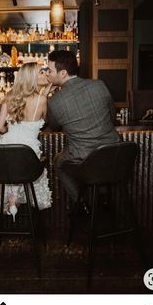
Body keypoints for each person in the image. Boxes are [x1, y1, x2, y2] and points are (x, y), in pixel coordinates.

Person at [46, 49, 120, 206]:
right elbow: (112, 117)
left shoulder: (55, 101)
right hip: (114, 153)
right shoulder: (99, 85)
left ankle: (83, 204)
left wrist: (46, 96)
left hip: (84, 158)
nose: (47, 74)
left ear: (63, 73)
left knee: (58, 162)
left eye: (50, 70)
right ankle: (103, 197)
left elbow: (54, 127)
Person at [0, 63, 52, 220]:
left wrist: (11, 131)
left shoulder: (10, 97)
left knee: (11, 171)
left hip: (5, 149)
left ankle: (12, 201)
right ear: (31, 78)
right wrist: (46, 92)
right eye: (41, 72)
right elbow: (45, 120)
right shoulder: (41, 100)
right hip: (27, 153)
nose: (45, 74)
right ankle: (15, 202)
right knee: (23, 168)